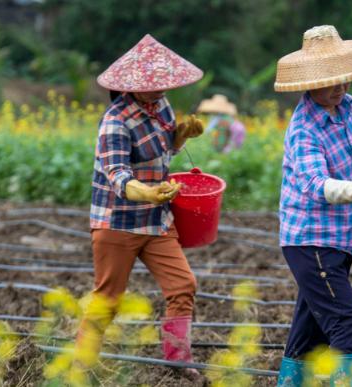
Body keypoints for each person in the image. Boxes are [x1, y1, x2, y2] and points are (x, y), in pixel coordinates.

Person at [75, 34, 204, 378]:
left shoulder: (161, 106)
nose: (159, 90)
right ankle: (79, 366)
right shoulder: (115, 121)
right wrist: (146, 192)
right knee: (109, 297)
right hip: (117, 222)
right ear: (130, 86)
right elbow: (117, 174)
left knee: (183, 286)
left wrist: (180, 136)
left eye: (163, 83)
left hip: (156, 220)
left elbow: (162, 153)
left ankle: (177, 361)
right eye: (151, 85)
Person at [273, 25, 352, 386]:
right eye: (331, 81)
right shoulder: (304, 128)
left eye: (344, 79)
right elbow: (314, 184)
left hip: (341, 236)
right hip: (311, 240)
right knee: (348, 325)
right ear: (310, 82)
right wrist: (348, 190)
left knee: (309, 331)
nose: (341, 87)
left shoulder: (351, 106)